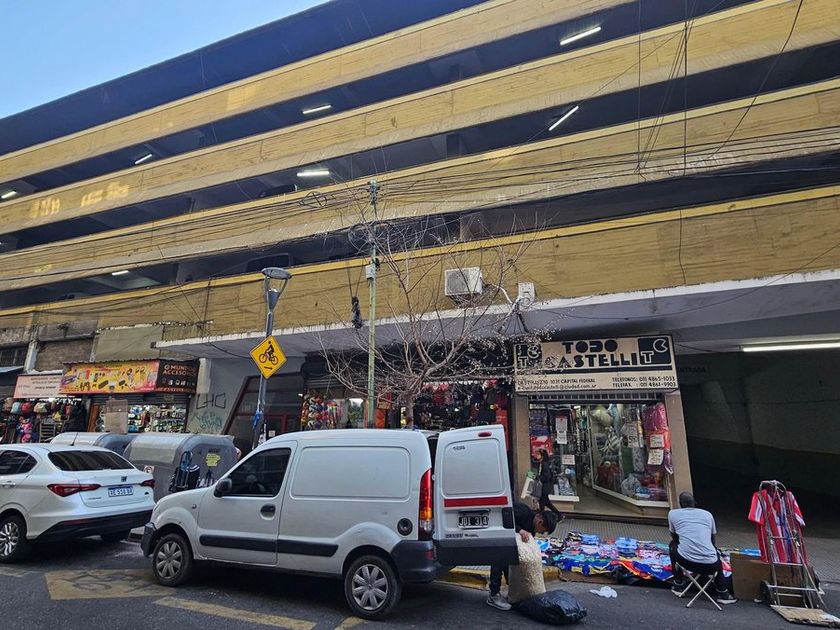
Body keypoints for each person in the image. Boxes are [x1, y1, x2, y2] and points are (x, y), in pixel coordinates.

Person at [487, 502, 558, 611]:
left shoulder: (532, 529)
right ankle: (493, 595)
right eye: (543, 531)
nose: (541, 533)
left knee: (513, 564)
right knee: (499, 561)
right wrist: (519, 530)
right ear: (540, 522)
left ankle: (515, 594)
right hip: (499, 537)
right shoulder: (523, 511)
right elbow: (503, 519)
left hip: (510, 545)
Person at [668, 492, 737, 605]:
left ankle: (678, 584)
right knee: (715, 552)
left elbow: (674, 537)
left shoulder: (673, 514)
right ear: (695, 503)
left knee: (672, 545)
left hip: (686, 562)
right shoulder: (707, 514)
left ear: (680, 504)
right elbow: (712, 540)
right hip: (711, 565)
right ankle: (723, 592)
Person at [536, 449, 563, 520]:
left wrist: (538, 477)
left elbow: (546, 477)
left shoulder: (544, 464)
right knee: (546, 503)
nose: (536, 455)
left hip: (544, 487)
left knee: (543, 503)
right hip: (544, 487)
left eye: (538, 454)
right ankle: (559, 515)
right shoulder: (542, 463)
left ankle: (542, 518)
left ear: (542, 456)